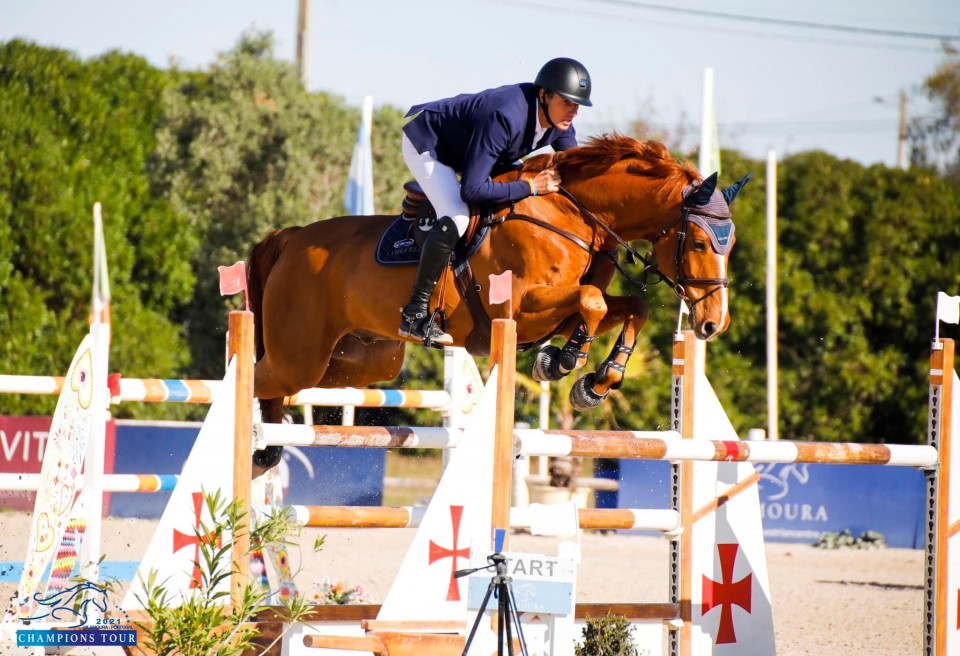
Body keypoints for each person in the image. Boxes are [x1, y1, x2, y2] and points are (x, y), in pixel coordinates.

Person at [398, 57, 592, 345]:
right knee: (458, 216)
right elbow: (473, 190)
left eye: (577, 105)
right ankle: (414, 314)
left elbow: (577, 171)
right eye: (567, 102)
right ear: (544, 95)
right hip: (431, 146)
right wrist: (530, 187)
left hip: (473, 150)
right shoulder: (506, 115)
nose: (573, 112)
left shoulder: (560, 123)